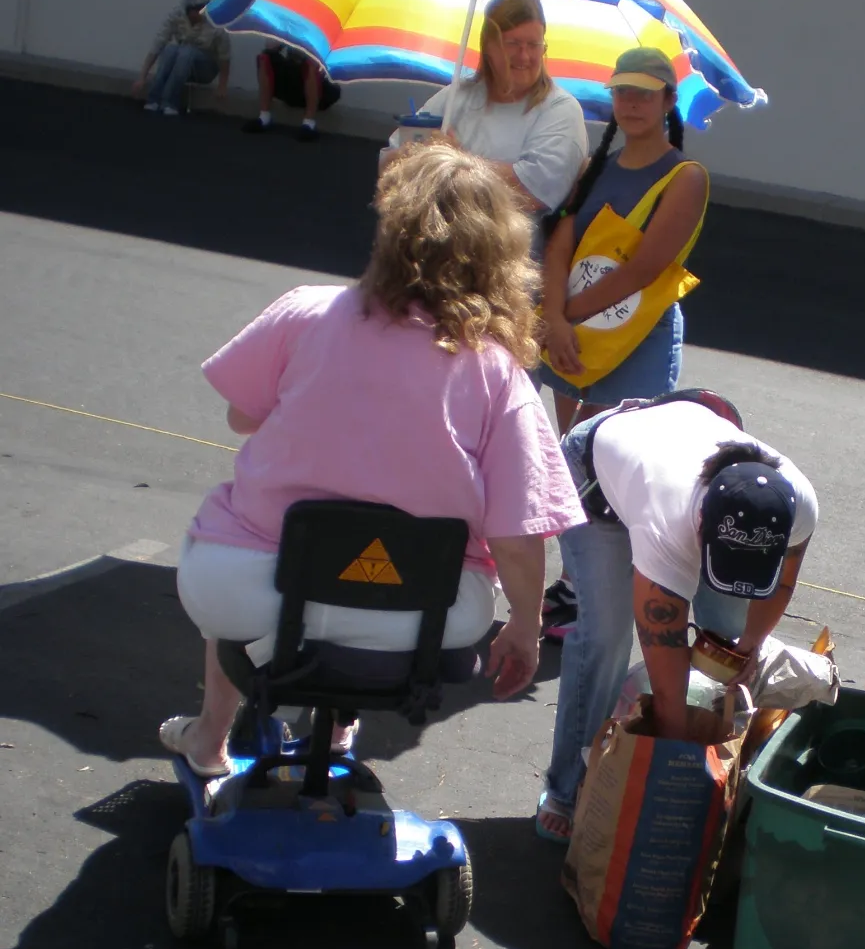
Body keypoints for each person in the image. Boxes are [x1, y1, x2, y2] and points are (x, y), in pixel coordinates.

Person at [159, 143, 584, 778]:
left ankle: (210, 739)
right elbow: (519, 536)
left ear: (394, 228)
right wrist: (524, 627)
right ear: (499, 254)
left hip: (254, 587)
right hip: (423, 613)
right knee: (385, 584)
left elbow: (241, 418)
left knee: (229, 546)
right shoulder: (498, 372)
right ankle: (336, 729)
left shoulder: (307, 311)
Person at [537, 395, 819, 841]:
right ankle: (567, 791)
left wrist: (749, 645)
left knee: (726, 641)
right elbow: (663, 650)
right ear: (702, 525)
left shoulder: (798, 505)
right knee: (606, 639)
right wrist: (676, 763)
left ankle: (725, 765)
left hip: (670, 451)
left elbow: (781, 585)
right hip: (595, 477)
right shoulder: (667, 522)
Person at [536, 46, 709, 644]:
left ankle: (596, 596)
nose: (631, 103)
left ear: (668, 101)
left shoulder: (686, 177)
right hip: (572, 332)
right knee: (571, 462)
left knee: (612, 475)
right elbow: (559, 242)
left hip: (634, 341)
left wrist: (563, 318)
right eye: (622, 92)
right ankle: (572, 585)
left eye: (644, 93)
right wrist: (554, 318)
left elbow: (644, 268)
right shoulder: (594, 165)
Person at [381, 0, 587, 221]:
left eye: (533, 44)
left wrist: (453, 160)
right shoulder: (456, 96)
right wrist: (412, 153)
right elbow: (387, 167)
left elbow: (533, 191)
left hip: (502, 241)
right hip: (428, 232)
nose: (524, 56)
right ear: (489, 47)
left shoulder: (560, 110)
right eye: (513, 44)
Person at [133, 0, 230, 115]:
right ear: (188, 9)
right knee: (170, 49)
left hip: (205, 68)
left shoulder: (217, 21)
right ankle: (153, 99)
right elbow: (158, 44)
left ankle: (170, 102)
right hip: (180, 64)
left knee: (187, 51)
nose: (200, 14)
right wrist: (142, 77)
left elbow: (224, 56)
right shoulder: (177, 14)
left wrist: (222, 85)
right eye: (196, 10)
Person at [242, 44, 341, 142]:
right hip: (293, 83)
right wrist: (281, 40)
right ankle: (264, 117)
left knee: (312, 63)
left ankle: (309, 123)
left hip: (319, 88)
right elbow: (269, 48)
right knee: (264, 57)